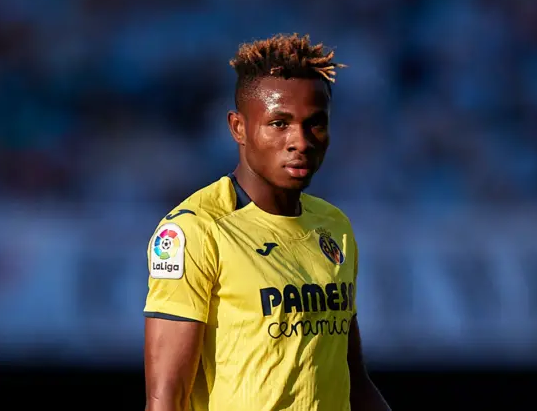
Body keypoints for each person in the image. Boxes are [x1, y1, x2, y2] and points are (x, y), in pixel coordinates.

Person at [143, 33, 391, 411]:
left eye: (315, 124)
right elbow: (165, 400)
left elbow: (353, 379)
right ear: (238, 128)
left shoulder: (334, 226)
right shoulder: (196, 231)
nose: (301, 141)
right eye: (279, 123)